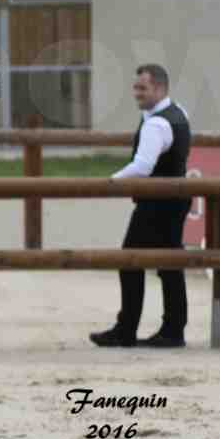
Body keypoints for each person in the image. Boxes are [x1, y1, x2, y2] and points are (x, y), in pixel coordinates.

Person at [90, 64, 192, 348]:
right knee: (170, 264)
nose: (136, 93)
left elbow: (143, 167)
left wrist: (110, 182)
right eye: (136, 87)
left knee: (130, 261)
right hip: (174, 198)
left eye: (142, 88)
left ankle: (128, 329)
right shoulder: (178, 113)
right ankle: (172, 329)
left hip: (157, 203)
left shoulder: (157, 123)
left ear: (159, 88)